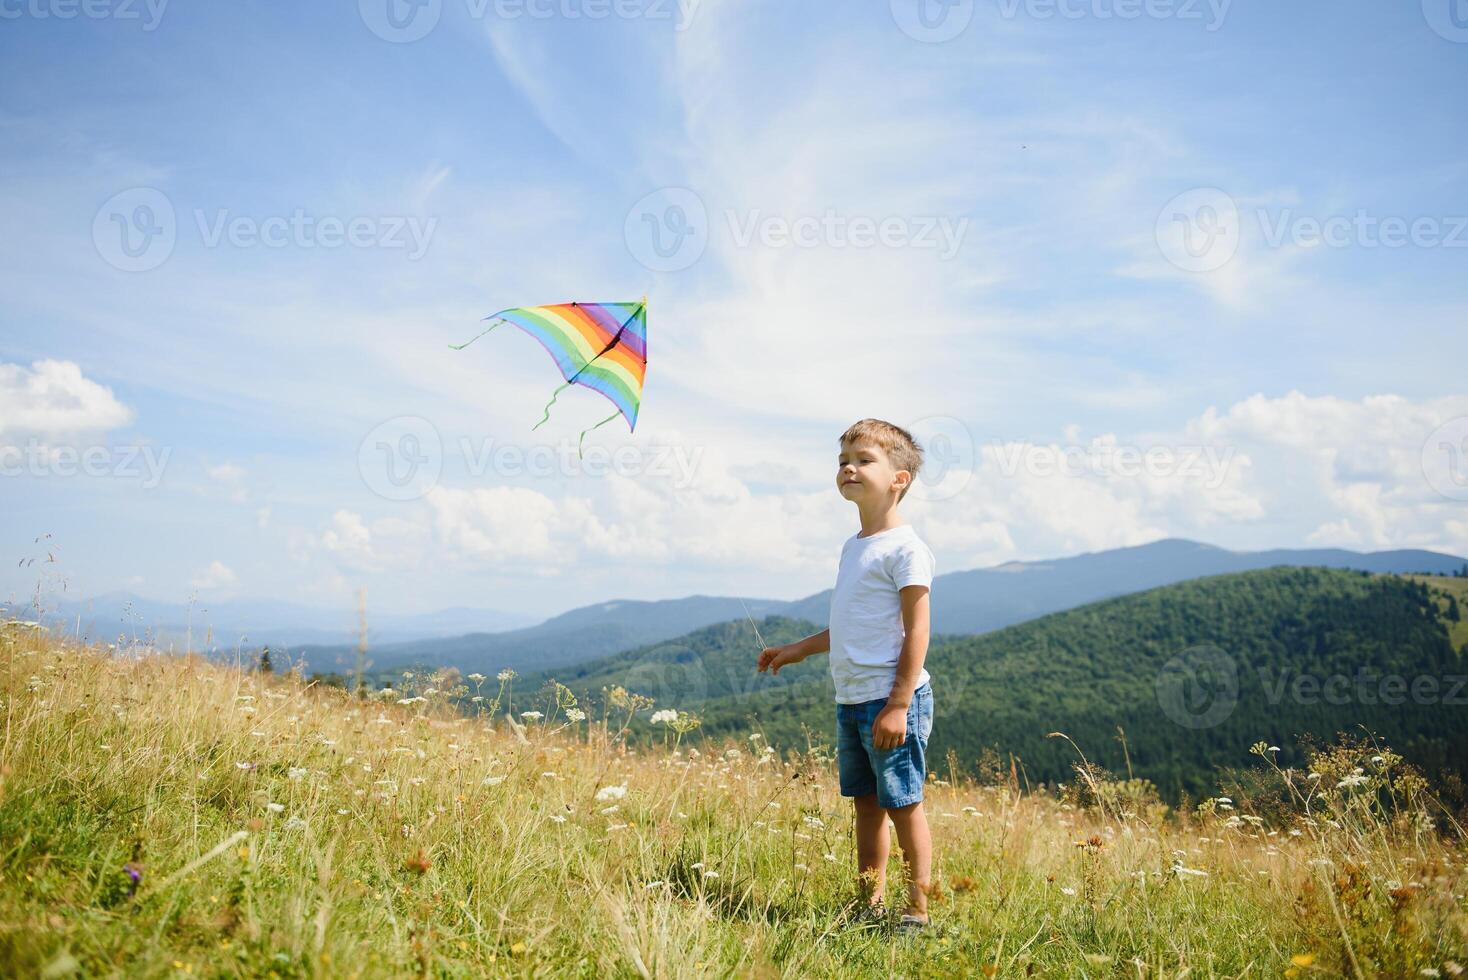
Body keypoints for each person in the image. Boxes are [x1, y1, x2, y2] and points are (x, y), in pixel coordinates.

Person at [757, 418, 936, 932]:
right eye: (842, 462)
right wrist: (798, 650)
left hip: (890, 700)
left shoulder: (906, 549)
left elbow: (917, 632)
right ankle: (868, 904)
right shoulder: (854, 545)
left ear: (899, 479)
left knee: (903, 804)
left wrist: (899, 704)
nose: (848, 468)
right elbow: (849, 627)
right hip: (852, 697)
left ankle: (916, 912)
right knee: (865, 804)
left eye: (862, 459)